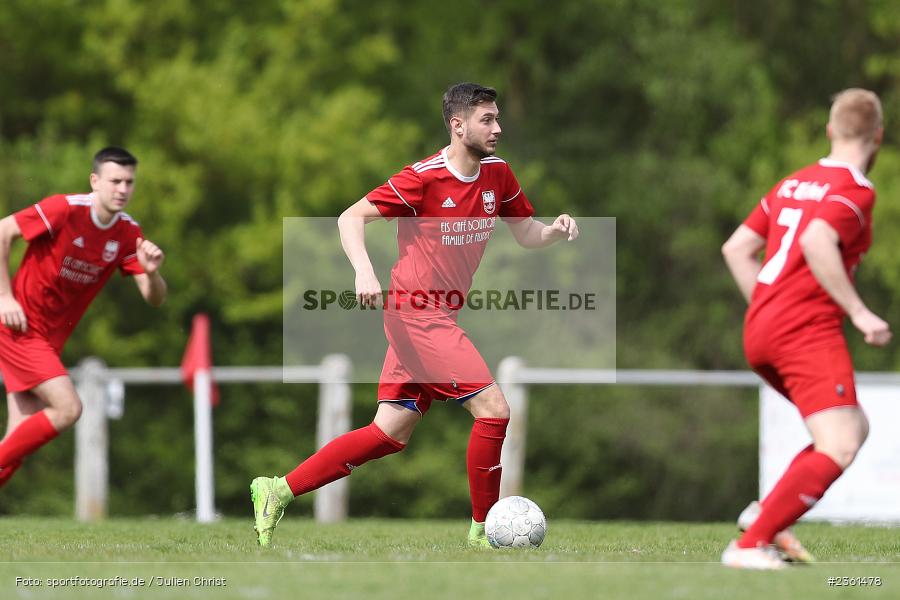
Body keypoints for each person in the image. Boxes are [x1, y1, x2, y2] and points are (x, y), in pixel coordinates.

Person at [251, 82, 578, 548]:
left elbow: (525, 233)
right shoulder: (423, 178)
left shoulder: (498, 175)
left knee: (389, 433)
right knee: (494, 410)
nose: (497, 128)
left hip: (438, 316)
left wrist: (555, 231)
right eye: (487, 119)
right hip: (414, 314)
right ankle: (484, 531)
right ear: (457, 125)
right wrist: (364, 271)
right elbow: (350, 217)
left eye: (498, 118)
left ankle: (276, 489)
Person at [720, 89, 890, 570]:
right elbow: (818, 240)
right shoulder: (856, 190)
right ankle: (751, 543)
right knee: (841, 441)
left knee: (849, 426)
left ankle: (765, 513)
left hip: (762, 328)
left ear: (831, 130)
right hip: (804, 330)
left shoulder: (793, 183)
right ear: (877, 136)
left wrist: (770, 309)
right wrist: (859, 312)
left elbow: (736, 249)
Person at [0, 146, 167, 487]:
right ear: (95, 181)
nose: (122, 189)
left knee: (20, 438)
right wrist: (4, 297)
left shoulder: (127, 234)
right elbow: (2, 232)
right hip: (18, 328)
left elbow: (155, 299)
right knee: (68, 408)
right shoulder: (65, 208)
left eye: (129, 182)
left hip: (46, 339)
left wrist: (151, 273)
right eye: (115, 180)